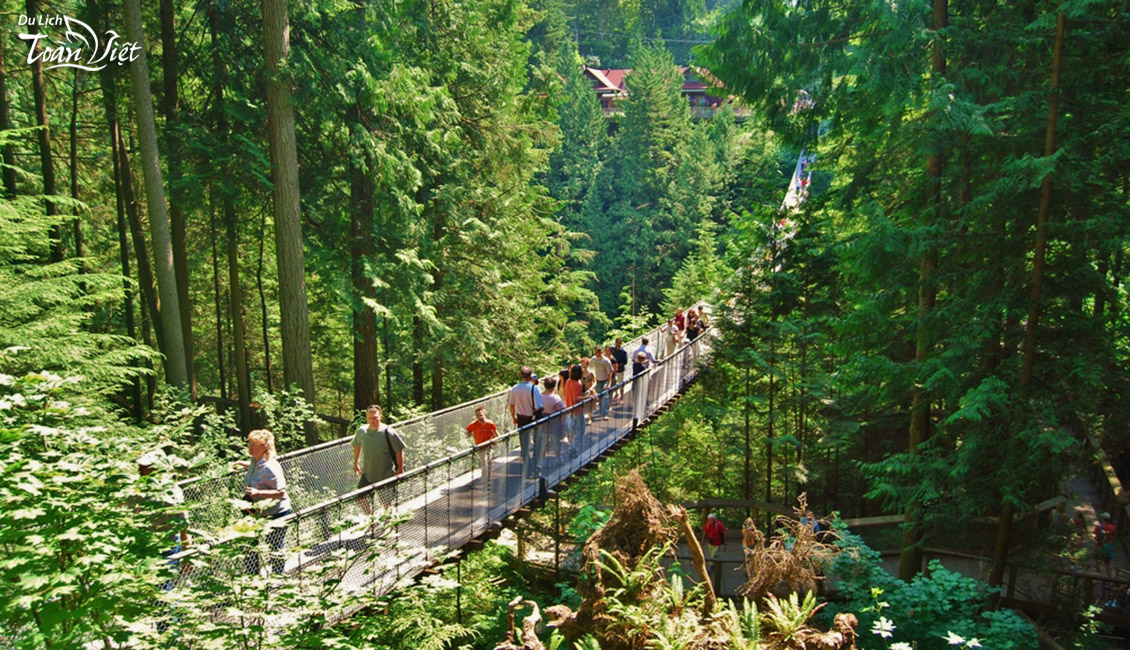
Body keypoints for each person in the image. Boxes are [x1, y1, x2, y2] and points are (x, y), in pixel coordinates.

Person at [235, 429, 292, 574]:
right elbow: (256, 470)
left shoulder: (271, 467)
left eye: (255, 444)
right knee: (249, 543)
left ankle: (278, 577)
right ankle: (252, 575)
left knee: (275, 546)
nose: (251, 447)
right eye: (250, 443)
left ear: (265, 447)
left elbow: (281, 492)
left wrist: (258, 493)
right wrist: (243, 465)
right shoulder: (255, 461)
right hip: (256, 511)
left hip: (276, 512)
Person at [353, 404, 407, 490]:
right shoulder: (362, 431)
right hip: (368, 475)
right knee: (360, 499)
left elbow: (399, 450)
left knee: (386, 503)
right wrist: (356, 463)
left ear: (380, 417)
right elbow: (356, 445)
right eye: (369, 418)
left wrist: (400, 469)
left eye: (375, 418)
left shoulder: (389, 432)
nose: (372, 421)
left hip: (386, 476)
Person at [508, 366, 544, 479]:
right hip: (533, 418)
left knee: (524, 445)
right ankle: (535, 468)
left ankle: (528, 469)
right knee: (537, 442)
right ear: (530, 375)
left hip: (521, 419)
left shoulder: (515, 388)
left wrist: (513, 417)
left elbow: (512, 405)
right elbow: (539, 406)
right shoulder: (534, 388)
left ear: (521, 375)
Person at [466, 405, 498, 481]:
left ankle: (488, 474)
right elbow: (468, 431)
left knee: (489, 459)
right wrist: (469, 434)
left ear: (484, 414)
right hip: (480, 446)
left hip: (489, 444)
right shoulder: (474, 424)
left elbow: (495, 431)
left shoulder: (489, 423)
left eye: (480, 415)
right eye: (477, 416)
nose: (479, 417)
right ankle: (484, 476)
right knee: (483, 460)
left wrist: (499, 439)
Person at [541, 376, 566, 468]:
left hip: (542, 422)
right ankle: (558, 457)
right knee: (555, 440)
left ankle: (542, 459)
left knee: (543, 441)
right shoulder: (556, 398)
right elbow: (563, 409)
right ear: (554, 386)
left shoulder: (539, 396)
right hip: (554, 422)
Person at [562, 364, 586, 459]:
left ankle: (573, 449)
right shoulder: (577, 384)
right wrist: (588, 397)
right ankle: (572, 450)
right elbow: (576, 398)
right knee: (579, 431)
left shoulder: (567, 381)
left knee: (571, 431)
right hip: (577, 411)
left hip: (568, 409)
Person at [589, 346, 613, 420]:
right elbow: (590, 367)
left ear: (601, 352)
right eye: (595, 352)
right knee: (599, 397)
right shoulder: (594, 359)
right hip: (598, 381)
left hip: (605, 380)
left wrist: (608, 383)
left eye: (598, 352)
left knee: (605, 397)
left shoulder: (606, 360)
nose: (596, 353)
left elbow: (610, 371)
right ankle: (601, 411)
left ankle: (605, 414)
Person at [1094, 512, 1117, 577]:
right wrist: (1110, 542)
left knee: (1098, 563)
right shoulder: (1113, 528)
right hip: (1108, 548)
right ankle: (1109, 580)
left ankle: (1096, 578)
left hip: (1099, 547)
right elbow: (1115, 537)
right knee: (1107, 565)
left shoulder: (1099, 527)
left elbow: (1096, 537)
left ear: (1103, 519)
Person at [610, 338, 628, 403]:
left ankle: (622, 398)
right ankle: (616, 394)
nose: (619, 344)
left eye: (620, 343)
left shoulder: (623, 351)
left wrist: (618, 365)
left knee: (621, 384)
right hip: (613, 369)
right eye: (618, 342)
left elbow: (625, 361)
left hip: (620, 370)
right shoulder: (612, 349)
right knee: (613, 383)